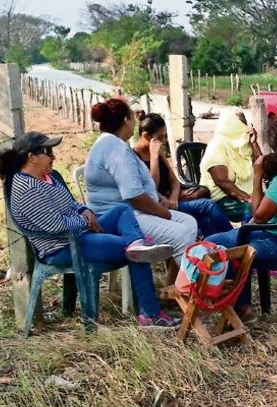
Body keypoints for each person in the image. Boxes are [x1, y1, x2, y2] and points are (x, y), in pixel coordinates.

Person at [0, 130, 179, 328]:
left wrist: (84, 210)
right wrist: (85, 221)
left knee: (122, 210)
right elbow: (55, 225)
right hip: (62, 247)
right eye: (47, 152)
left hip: (80, 234)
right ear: (31, 157)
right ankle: (150, 314)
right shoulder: (27, 189)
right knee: (136, 252)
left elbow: (70, 204)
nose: (53, 156)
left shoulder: (46, 178)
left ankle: (136, 243)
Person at [206, 119, 277, 321]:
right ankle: (242, 305)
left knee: (217, 244)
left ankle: (240, 307)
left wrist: (257, 175)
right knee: (229, 237)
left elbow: (258, 216)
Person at [84, 98, 199, 288]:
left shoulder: (112, 143)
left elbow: (141, 185)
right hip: (122, 219)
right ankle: (192, 290)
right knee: (181, 234)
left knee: (189, 221)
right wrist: (162, 212)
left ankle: (174, 286)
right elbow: (134, 196)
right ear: (126, 120)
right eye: (132, 116)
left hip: (132, 212)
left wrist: (160, 199)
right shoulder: (116, 149)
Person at [132, 112, 233, 237]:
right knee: (208, 205)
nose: (163, 141)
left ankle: (219, 246)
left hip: (173, 200)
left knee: (205, 221)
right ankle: (235, 237)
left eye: (165, 137)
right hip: (159, 205)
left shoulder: (159, 153)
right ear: (146, 136)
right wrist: (153, 157)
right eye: (160, 137)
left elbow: (174, 180)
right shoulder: (134, 157)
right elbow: (151, 187)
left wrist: (174, 197)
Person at [199, 111, 261, 222]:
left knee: (272, 201)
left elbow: (261, 166)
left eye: (245, 122)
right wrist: (248, 198)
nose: (245, 127)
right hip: (220, 197)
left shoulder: (241, 144)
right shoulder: (217, 145)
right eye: (241, 123)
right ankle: (247, 237)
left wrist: (254, 143)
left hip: (243, 193)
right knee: (252, 208)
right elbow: (222, 182)